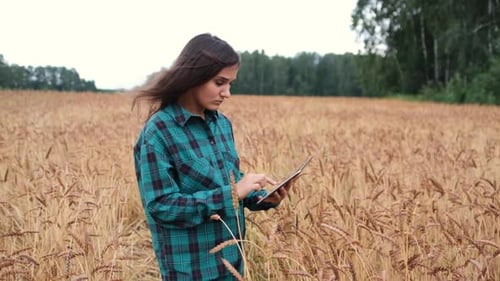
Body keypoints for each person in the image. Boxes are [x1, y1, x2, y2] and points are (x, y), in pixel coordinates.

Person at [132, 33, 291, 280]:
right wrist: (232, 194)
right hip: (191, 269)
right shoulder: (159, 132)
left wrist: (261, 198)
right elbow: (161, 206)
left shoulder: (222, 124)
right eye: (219, 83)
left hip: (233, 262)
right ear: (194, 77)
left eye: (230, 84)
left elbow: (228, 180)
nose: (227, 93)